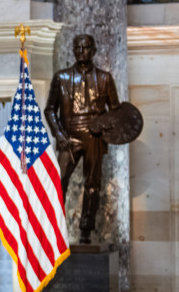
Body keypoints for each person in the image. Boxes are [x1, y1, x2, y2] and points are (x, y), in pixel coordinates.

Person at [43, 34, 121, 244]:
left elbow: (115, 112)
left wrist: (104, 129)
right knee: (58, 181)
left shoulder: (105, 79)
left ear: (93, 51)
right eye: (77, 48)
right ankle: (54, 227)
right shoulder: (61, 77)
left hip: (94, 136)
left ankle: (85, 230)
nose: (81, 51)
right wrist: (59, 135)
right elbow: (50, 110)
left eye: (86, 48)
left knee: (93, 184)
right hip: (69, 136)